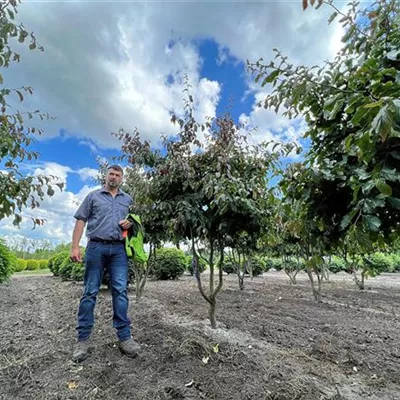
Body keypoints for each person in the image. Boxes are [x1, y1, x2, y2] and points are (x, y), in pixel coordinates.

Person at [70, 164, 140, 362]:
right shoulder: (93, 196)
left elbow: (132, 224)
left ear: (122, 178)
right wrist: (75, 246)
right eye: (111, 173)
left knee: (120, 291)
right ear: (106, 176)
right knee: (90, 292)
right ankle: (82, 340)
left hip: (118, 249)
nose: (114, 177)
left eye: (118, 175)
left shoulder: (128, 200)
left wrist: (130, 224)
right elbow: (80, 220)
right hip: (96, 248)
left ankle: (125, 338)